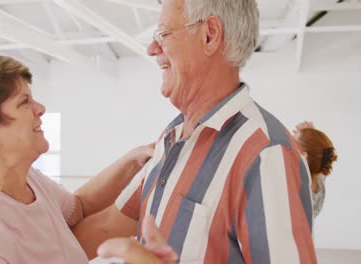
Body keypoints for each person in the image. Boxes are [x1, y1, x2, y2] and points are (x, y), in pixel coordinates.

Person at [71, 0, 317, 263]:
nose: (152, 49)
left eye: (163, 34)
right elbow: (104, 229)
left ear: (209, 35)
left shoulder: (266, 154)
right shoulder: (171, 138)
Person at [0, 55, 155, 263]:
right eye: (24, 101)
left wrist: (135, 160)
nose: (40, 108)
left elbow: (78, 208)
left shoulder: (28, 180)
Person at [293, 121, 338, 218]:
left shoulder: (293, 189)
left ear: (304, 156)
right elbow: (320, 152)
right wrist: (308, 133)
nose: (289, 143)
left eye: (293, 141)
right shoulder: (319, 175)